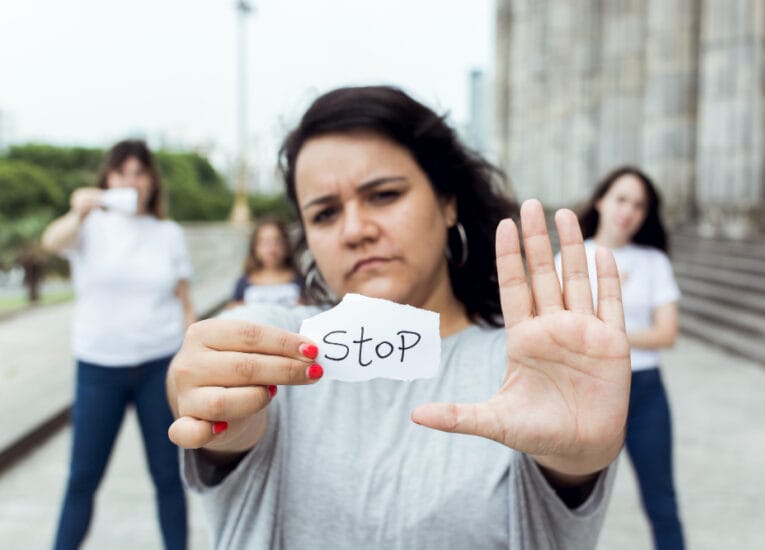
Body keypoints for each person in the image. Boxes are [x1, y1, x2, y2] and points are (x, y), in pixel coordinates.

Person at [167, 86, 632, 549]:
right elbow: (210, 385)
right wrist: (212, 401)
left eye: (384, 195)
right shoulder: (284, 347)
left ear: (448, 201)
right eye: (326, 213)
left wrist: (578, 460)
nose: (355, 230)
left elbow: (564, 470)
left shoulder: (528, 362)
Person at [42, 139, 192, 550]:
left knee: (167, 475)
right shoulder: (90, 226)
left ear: (151, 181)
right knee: (82, 477)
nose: (132, 180)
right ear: (108, 178)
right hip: (99, 366)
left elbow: (185, 303)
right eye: (123, 172)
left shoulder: (168, 233)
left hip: (158, 364)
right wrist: (79, 210)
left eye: (140, 172)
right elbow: (52, 242)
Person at [564, 166, 685, 550]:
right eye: (621, 199)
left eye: (640, 204)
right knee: (569, 504)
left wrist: (603, 331)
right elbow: (561, 331)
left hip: (645, 390)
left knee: (661, 501)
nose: (628, 211)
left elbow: (666, 333)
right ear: (600, 200)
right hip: (587, 390)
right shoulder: (569, 258)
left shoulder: (652, 262)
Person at [228, 216, 302, 308]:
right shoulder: (243, 283)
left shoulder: (302, 281)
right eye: (264, 242)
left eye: (277, 241)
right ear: (254, 247)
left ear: (286, 245)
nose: (271, 249)